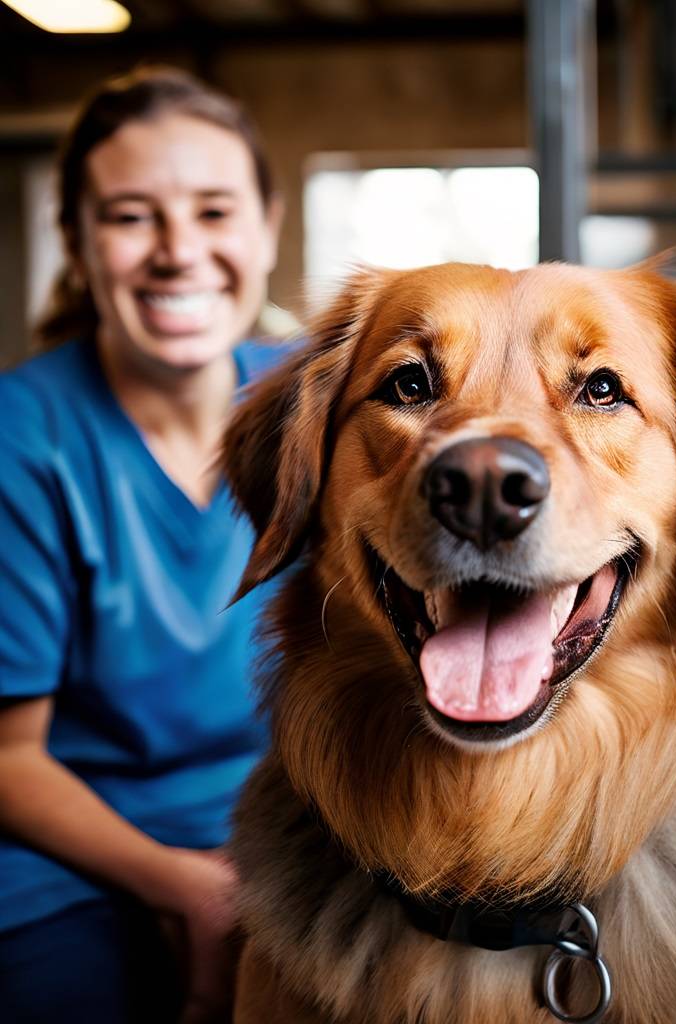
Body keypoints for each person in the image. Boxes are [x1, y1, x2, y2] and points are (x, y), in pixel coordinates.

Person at [0, 67, 286, 1023]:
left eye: (214, 212)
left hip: (298, 830)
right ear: (78, 247)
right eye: (131, 217)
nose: (179, 253)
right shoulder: (23, 437)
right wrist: (187, 889)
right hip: (70, 853)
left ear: (266, 228)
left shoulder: (316, 402)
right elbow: (8, 758)